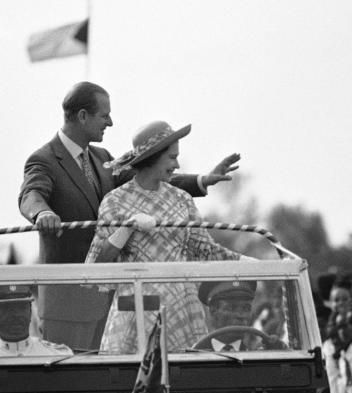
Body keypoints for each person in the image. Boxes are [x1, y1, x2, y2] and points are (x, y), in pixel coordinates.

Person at [18, 82, 239, 349]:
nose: (110, 122)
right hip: (69, 303)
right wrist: (41, 212)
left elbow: (148, 180)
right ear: (82, 116)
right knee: (73, 384)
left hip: (114, 303)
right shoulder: (43, 159)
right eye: (104, 115)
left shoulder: (102, 159)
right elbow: (31, 194)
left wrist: (202, 180)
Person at [84, 121, 248, 352]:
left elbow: (205, 248)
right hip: (137, 308)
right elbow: (98, 263)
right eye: (172, 157)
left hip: (182, 308)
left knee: (187, 380)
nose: (177, 164)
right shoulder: (115, 200)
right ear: (153, 157)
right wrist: (127, 229)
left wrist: (252, 264)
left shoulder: (182, 199)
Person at [0, 286, 72, 361]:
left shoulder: (57, 356)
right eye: (7, 308)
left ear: (30, 312)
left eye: (21, 307)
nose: (15, 314)